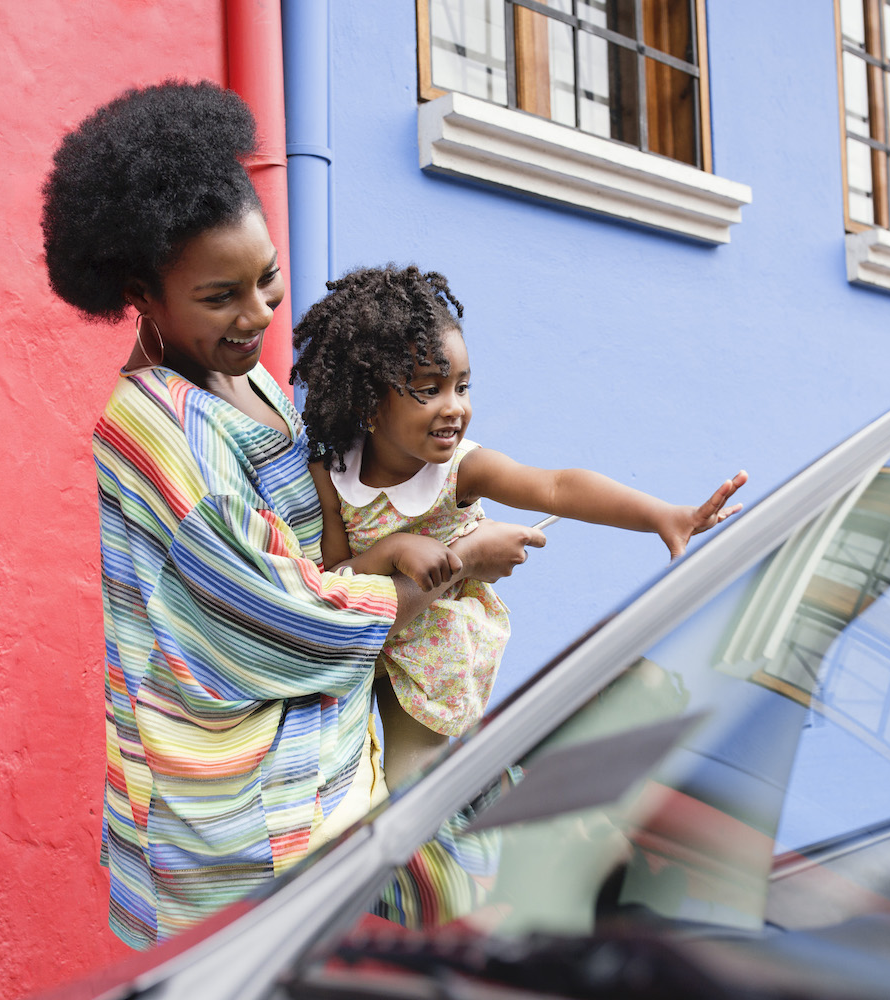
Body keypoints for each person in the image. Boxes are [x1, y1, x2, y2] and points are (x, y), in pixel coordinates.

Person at [39, 81, 541, 949]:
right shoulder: (156, 433)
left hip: (325, 774)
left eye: (268, 277)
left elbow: (318, 556)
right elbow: (279, 622)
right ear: (142, 294)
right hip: (241, 819)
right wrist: (451, 563)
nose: (259, 313)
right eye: (220, 295)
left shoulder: (240, 375)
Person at [291, 265, 749, 787]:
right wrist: (394, 549)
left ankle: (484, 798)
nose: (455, 408)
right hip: (360, 647)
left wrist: (661, 516)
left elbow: (558, 487)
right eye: (429, 389)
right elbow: (337, 577)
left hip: (429, 656)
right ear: (368, 403)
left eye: (462, 387)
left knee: (410, 794)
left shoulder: (461, 469)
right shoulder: (332, 473)